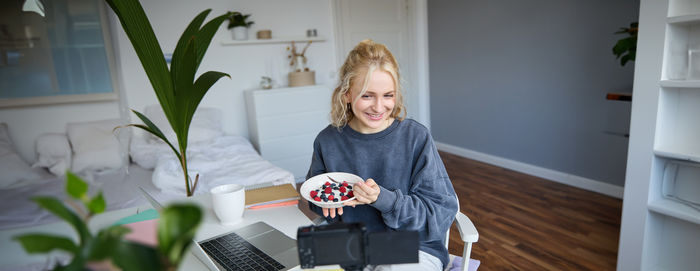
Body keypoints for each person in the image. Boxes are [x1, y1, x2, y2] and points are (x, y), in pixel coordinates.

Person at [306, 39, 459, 271]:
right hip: (352, 248)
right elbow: (315, 197)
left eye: (388, 95)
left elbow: (439, 216)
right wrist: (323, 204)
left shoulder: (415, 137)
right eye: (367, 96)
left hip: (411, 245)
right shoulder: (327, 141)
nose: (379, 107)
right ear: (346, 94)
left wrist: (383, 200)